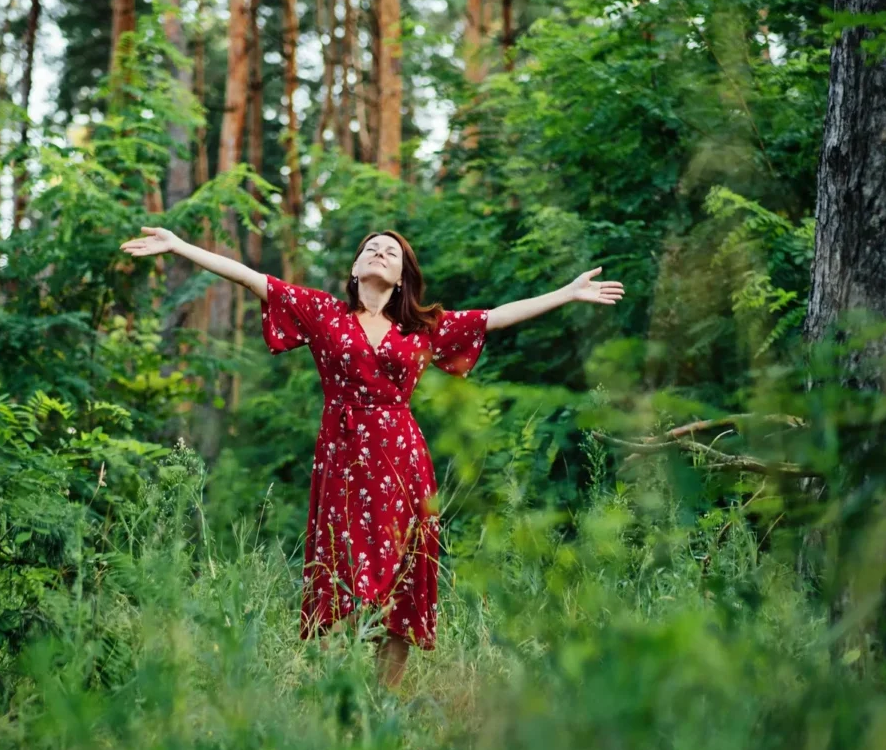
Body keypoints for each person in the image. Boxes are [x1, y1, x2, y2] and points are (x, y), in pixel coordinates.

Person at [120, 227, 625, 687]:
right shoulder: (323, 313)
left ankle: (387, 696)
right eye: (370, 249)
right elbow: (254, 278)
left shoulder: (422, 327)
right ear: (355, 269)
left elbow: (494, 317)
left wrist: (568, 292)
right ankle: (342, 686)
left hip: (402, 457)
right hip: (341, 457)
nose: (380, 254)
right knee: (342, 567)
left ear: (402, 276)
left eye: (392, 252)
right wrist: (180, 246)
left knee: (404, 570)